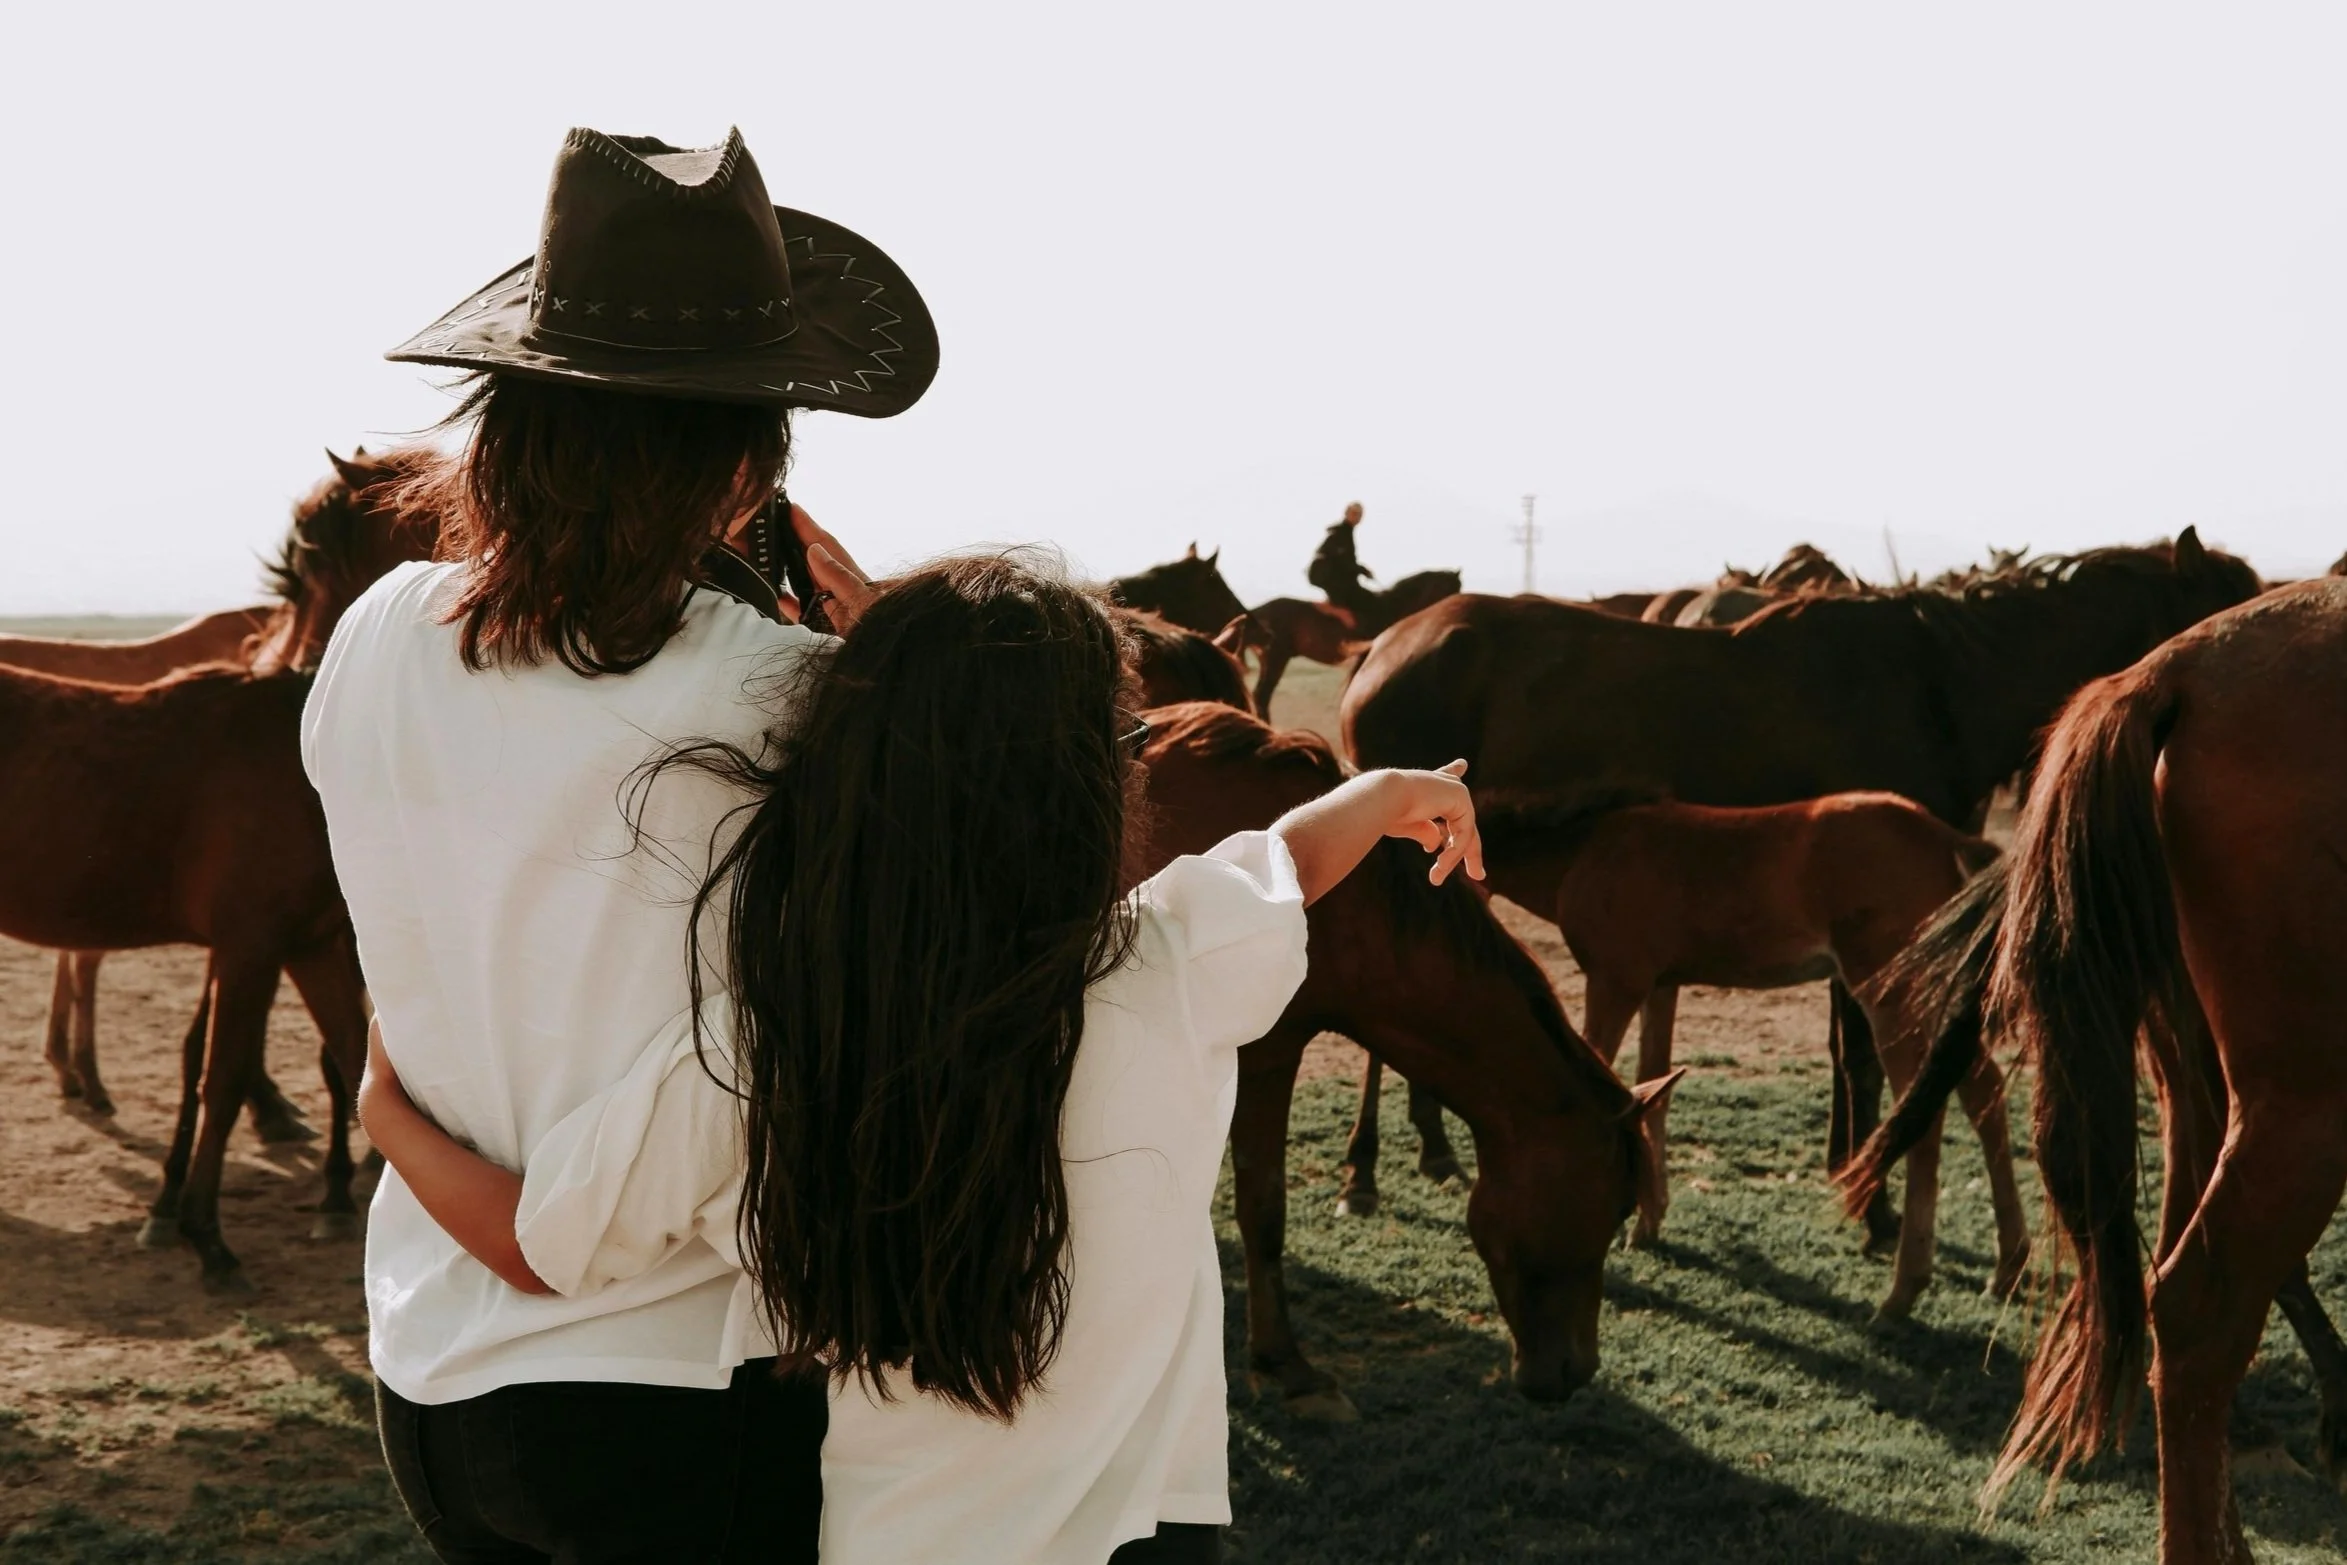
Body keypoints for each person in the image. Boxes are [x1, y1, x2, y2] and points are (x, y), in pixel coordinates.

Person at [358, 555, 1485, 1565]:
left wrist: (387, 1107)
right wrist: (1389, 790)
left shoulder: (763, 1044)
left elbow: (536, 1244)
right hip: (1150, 1528)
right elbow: (1290, 857)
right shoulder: (1174, 963)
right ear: (1096, 784)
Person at [304, 125, 937, 1563]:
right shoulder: (785, 694)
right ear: (746, 455)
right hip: (675, 1386)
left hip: (430, 1367)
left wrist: (392, 1109)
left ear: (513, 414)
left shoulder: (376, 636)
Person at [1305, 500, 1375, 621]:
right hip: (1327, 576)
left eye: (1359, 515)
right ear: (1346, 513)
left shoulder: (1346, 533)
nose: (1356, 517)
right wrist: (1361, 570)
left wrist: (1360, 570)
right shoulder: (1340, 534)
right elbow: (1342, 562)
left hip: (1333, 575)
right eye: (1354, 513)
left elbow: (1346, 562)